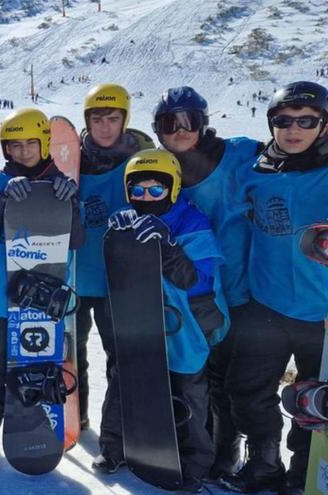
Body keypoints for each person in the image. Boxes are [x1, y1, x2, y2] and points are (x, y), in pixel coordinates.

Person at [150, 86, 264, 483]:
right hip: (188, 294)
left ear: (204, 124)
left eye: (190, 121)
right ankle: (201, 444)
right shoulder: (157, 170)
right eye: (170, 123)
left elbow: (285, 160)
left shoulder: (238, 156)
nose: (181, 130)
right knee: (198, 373)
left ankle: (227, 451)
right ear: (158, 130)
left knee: (229, 379)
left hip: (239, 286)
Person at [223, 82, 328, 495]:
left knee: (315, 401)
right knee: (246, 389)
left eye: (307, 120)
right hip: (265, 305)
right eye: (283, 121)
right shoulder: (255, 173)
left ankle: (305, 471)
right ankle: (263, 463)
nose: (294, 129)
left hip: (322, 314)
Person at [106, 149, 228, 492]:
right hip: (141, 320)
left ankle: (194, 465)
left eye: (156, 190)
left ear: (173, 189)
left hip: (185, 324)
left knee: (189, 390)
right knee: (125, 381)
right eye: (138, 190)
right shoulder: (126, 217)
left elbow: (198, 280)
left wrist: (170, 247)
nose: (145, 198)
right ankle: (115, 447)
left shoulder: (192, 221)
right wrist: (115, 241)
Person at [0, 108, 83, 472]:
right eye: (13, 145)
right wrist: (2, 199)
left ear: (44, 142)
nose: (22, 151)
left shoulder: (61, 184)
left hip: (40, 302)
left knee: (35, 369)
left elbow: (76, 240)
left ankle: (37, 431)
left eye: (30, 143)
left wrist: (69, 203)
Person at [74, 83, 153, 468]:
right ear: (87, 120)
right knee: (71, 357)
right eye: (97, 118)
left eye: (113, 117)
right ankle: (76, 418)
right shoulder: (70, 159)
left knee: (118, 359)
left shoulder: (142, 161)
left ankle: (114, 439)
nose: (105, 126)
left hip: (117, 279)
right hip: (74, 274)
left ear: (125, 119)